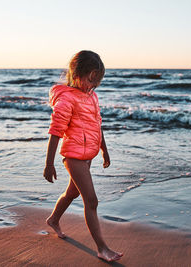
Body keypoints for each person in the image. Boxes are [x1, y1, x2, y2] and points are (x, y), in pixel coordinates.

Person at [43, 50, 123, 262]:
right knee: (91, 201)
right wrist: (49, 164)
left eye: (96, 83)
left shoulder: (92, 96)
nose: (93, 86)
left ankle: (53, 219)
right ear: (77, 73)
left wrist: (104, 149)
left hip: (88, 155)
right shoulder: (66, 99)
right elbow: (55, 131)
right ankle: (102, 248)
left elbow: (98, 123)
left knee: (72, 193)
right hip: (73, 157)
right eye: (91, 80)